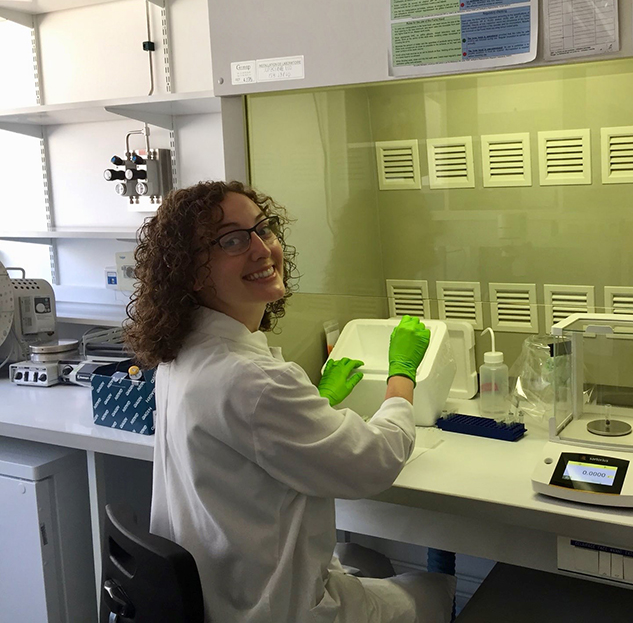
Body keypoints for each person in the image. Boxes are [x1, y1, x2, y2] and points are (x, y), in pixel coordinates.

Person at [124, 180, 455, 623]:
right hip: (276, 609)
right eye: (233, 240)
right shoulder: (251, 379)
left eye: (264, 229)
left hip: (220, 592)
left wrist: (318, 400)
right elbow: (376, 461)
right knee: (434, 588)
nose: (262, 249)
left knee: (368, 561)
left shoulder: (183, 354)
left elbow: (249, 438)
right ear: (192, 269)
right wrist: (402, 375)